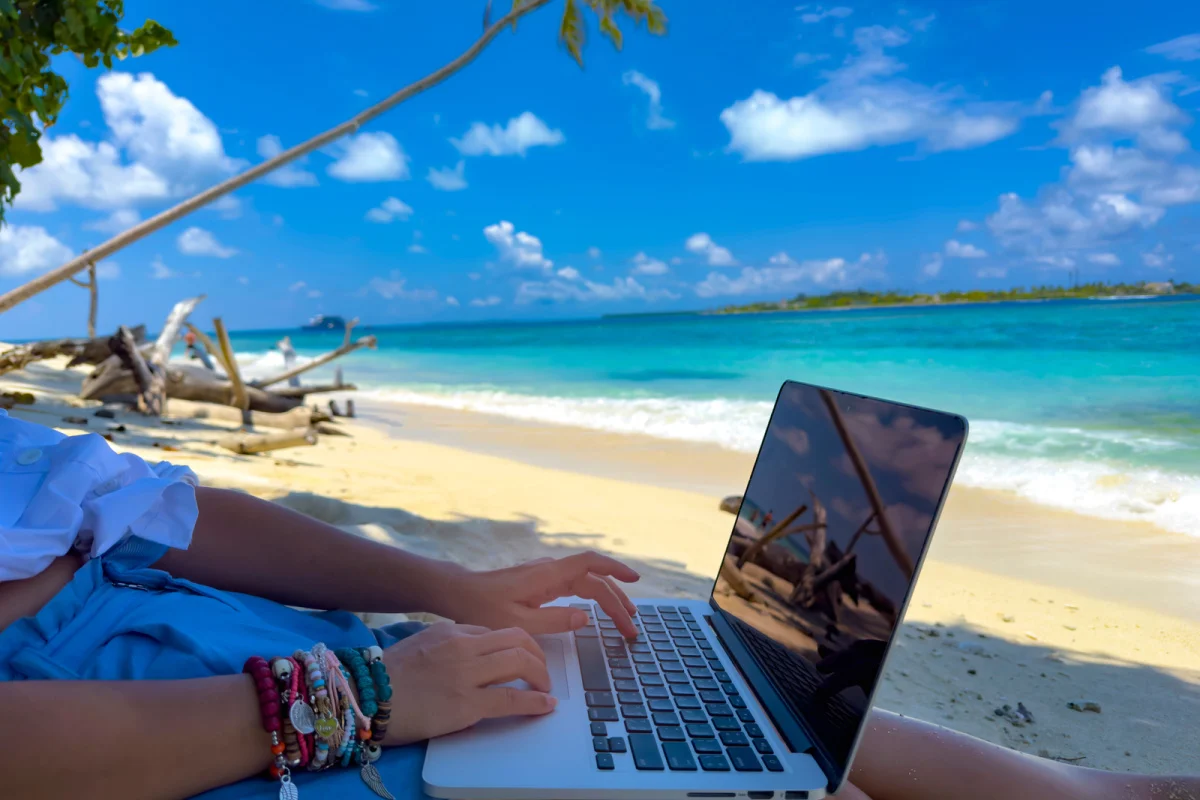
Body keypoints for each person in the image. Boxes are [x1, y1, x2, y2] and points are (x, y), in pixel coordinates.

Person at [0, 408, 1196, 800]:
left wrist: (451, 587)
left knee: (686, 681)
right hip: (134, 724)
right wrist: (360, 691)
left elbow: (153, 508)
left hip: (189, 622)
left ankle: (1077, 790)